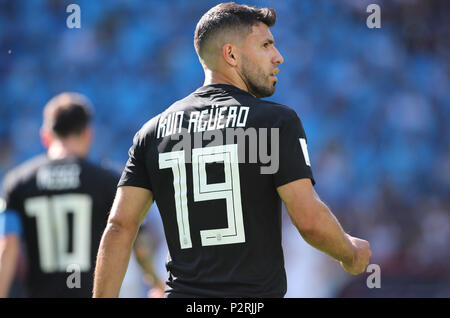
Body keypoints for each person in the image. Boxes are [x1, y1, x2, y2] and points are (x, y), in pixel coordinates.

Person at [93, 2, 371, 298]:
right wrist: (350, 253)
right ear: (231, 54)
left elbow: (120, 226)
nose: (278, 57)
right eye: (266, 45)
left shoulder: (152, 132)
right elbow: (308, 222)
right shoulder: (275, 122)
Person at [0, 92, 163, 297]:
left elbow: (7, 246)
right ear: (88, 133)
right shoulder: (108, 181)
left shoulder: (18, 183)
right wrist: (155, 280)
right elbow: (137, 240)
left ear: (46, 136)